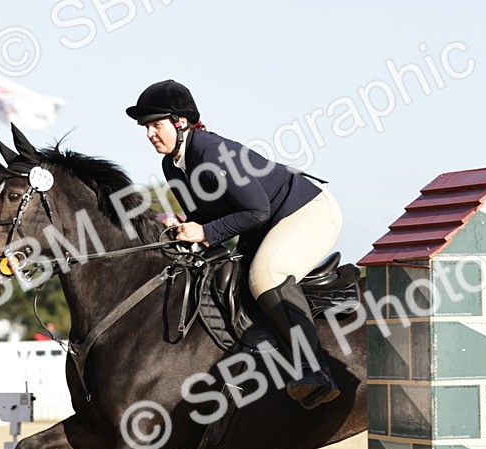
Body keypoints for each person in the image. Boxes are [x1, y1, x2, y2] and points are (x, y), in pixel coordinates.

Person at [126, 79, 343, 409]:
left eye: (155, 124)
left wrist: (205, 232)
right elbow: (202, 219)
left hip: (306, 211)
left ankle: (315, 371)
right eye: (146, 127)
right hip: (265, 222)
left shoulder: (212, 152)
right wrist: (183, 228)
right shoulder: (171, 165)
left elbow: (257, 209)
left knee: (266, 275)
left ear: (180, 122)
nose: (149, 134)